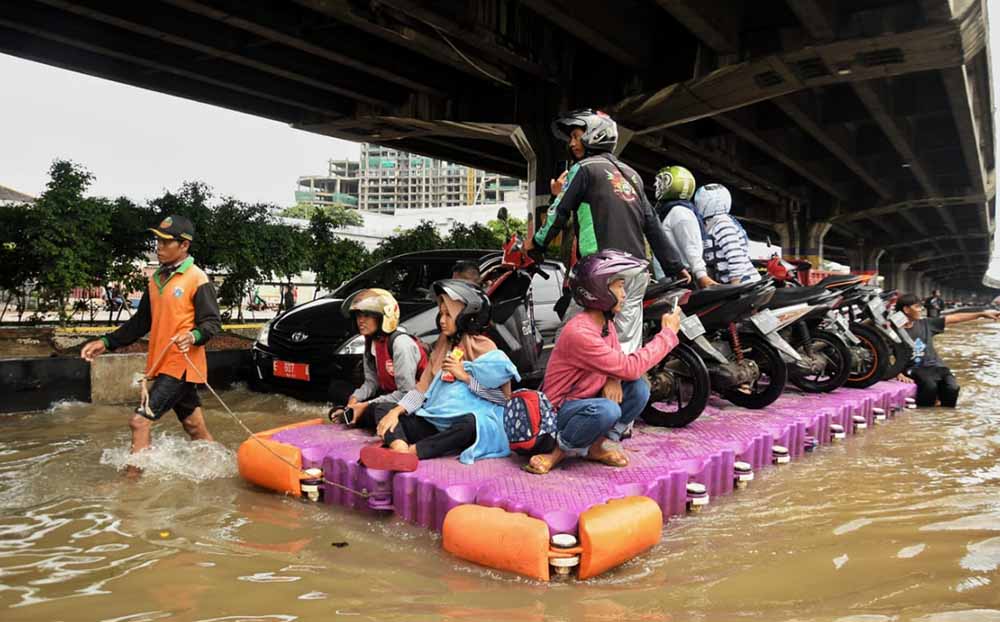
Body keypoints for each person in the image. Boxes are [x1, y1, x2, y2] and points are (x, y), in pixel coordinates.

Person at [523, 109, 687, 354]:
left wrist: (536, 245)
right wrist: (676, 265)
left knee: (571, 341)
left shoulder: (584, 169)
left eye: (577, 136)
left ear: (595, 135)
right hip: (637, 270)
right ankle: (625, 388)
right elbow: (651, 223)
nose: (572, 143)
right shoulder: (632, 175)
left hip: (602, 272)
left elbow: (559, 211)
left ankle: (571, 390)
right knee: (626, 348)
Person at [524, 250, 682, 474]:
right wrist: (667, 334)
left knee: (639, 388)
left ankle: (597, 447)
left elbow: (619, 366)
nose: (624, 293)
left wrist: (613, 378)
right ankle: (557, 452)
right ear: (598, 290)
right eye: (618, 286)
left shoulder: (605, 325)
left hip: (588, 399)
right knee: (608, 409)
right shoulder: (580, 332)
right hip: (559, 412)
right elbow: (629, 366)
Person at [80, 215, 221, 463]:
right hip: (161, 363)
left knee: (139, 421)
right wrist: (106, 342)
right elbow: (141, 322)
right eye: (158, 241)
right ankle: (221, 468)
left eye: (166, 242)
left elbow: (211, 323)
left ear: (184, 245)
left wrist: (193, 335)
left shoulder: (197, 279)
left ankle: (133, 486)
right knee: (193, 426)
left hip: (181, 365)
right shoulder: (156, 280)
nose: (159, 247)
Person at [367, 280, 519, 463]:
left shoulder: (486, 349)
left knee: (470, 425)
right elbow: (421, 390)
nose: (441, 320)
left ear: (466, 316)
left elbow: (501, 399)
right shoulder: (443, 344)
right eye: (441, 313)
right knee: (383, 408)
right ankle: (399, 448)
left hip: (462, 425)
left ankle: (413, 452)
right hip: (435, 419)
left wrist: (464, 376)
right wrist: (396, 411)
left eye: (448, 315)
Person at [330, 288, 427, 427]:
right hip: (389, 395)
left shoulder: (400, 344)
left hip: (411, 402)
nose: (360, 321)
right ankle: (351, 413)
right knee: (336, 388)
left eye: (367, 315)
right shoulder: (371, 342)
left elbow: (406, 393)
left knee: (374, 410)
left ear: (384, 317)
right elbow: (371, 382)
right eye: (358, 316)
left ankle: (354, 415)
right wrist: (355, 398)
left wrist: (365, 405)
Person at [895, 293, 999, 407]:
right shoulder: (894, 331)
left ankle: (945, 417)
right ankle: (926, 416)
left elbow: (955, 318)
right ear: (906, 309)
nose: (921, 310)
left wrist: (981, 314)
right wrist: (897, 373)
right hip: (915, 368)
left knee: (953, 388)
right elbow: (883, 355)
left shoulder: (926, 323)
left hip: (937, 367)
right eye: (917, 307)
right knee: (930, 387)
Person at [651, 165, 717, 288]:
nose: (655, 185)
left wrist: (702, 276)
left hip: (681, 281)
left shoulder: (679, 212)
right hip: (671, 280)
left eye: (662, 181)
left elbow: (691, 246)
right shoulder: (669, 211)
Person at [693, 184, 761, 285]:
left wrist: (735, 286)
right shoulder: (714, 223)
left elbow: (735, 256)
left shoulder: (722, 223)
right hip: (738, 284)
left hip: (744, 284)